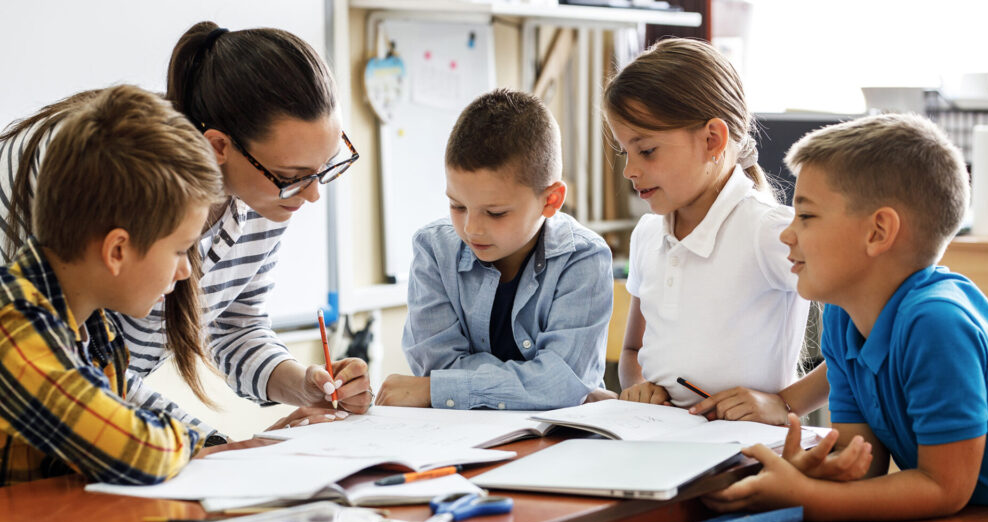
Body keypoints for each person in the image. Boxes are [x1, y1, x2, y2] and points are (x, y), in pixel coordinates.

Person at [0, 22, 370, 443]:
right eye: (293, 176)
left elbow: (232, 326)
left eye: (325, 168)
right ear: (218, 147)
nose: (312, 195)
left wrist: (300, 383)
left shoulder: (266, 191)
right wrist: (216, 446)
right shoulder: (99, 170)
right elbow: (76, 376)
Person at [704, 113, 988, 520]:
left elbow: (944, 488)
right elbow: (864, 463)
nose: (788, 234)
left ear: (877, 232)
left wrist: (804, 496)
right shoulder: (842, 318)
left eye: (806, 216)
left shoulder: (937, 323)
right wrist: (812, 473)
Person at [0, 85, 227, 485]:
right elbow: (137, 450)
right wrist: (194, 440)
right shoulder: (12, 329)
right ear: (117, 250)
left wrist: (219, 446)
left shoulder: (96, 327)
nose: (185, 271)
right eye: (179, 251)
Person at [603, 37, 822, 424]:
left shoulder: (770, 231)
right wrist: (638, 386)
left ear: (712, 140)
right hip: (661, 440)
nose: (630, 171)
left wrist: (787, 404)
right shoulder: (647, 234)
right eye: (625, 153)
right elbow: (634, 353)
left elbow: (868, 335)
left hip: (749, 448)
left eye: (647, 150)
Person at [376, 89, 613, 410]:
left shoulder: (584, 257)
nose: (472, 228)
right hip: (457, 438)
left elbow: (562, 382)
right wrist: (540, 386)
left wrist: (439, 389)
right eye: (457, 205)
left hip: (560, 444)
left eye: (496, 212)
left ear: (551, 200)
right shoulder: (433, 249)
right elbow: (436, 367)